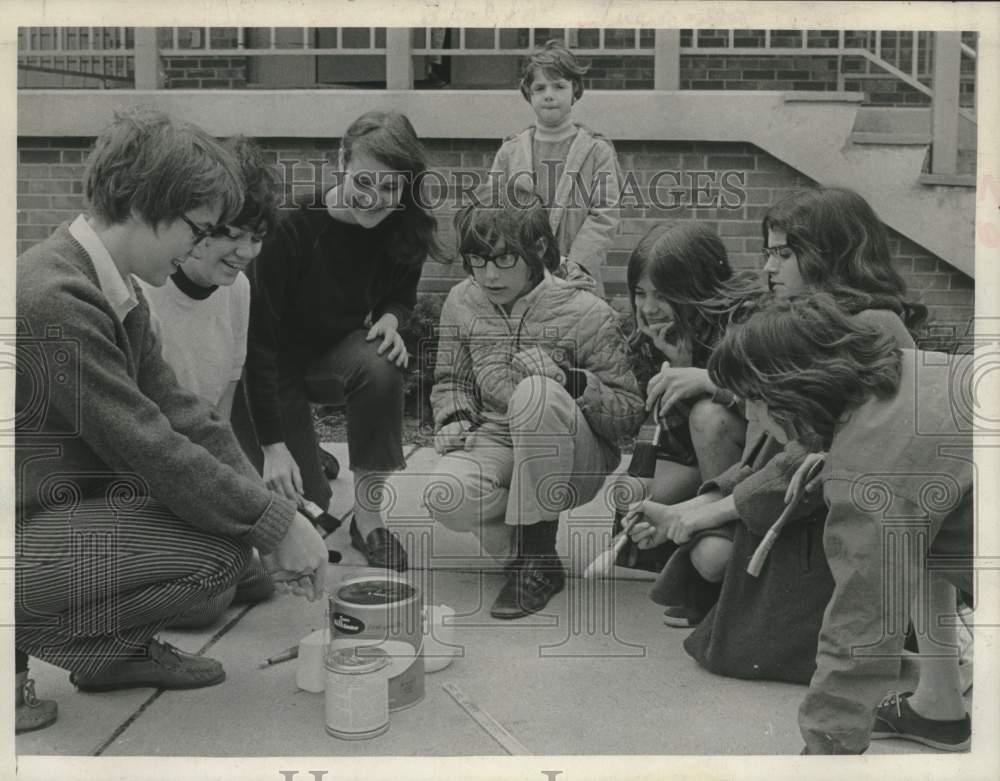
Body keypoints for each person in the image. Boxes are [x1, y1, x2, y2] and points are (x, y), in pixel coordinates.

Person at [15, 110, 327, 724]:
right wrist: (268, 524)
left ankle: (109, 656)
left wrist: (273, 514)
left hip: (51, 512)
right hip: (20, 530)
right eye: (200, 227)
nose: (199, 245)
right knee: (218, 553)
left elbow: (183, 412)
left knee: (227, 548)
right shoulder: (53, 295)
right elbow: (145, 443)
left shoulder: (107, 281)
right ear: (144, 205)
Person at [707, 292, 972, 754]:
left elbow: (862, 625)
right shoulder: (904, 369)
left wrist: (828, 745)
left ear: (791, 391)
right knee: (921, 534)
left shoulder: (870, 473)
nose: (748, 413)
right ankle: (938, 708)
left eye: (753, 399)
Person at [423, 188, 645, 619]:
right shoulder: (462, 301)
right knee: (443, 494)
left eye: (504, 258)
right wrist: (453, 416)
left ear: (538, 248)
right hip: (496, 438)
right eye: (477, 260)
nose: (489, 275)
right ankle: (529, 561)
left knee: (536, 392)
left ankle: (538, 551)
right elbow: (451, 379)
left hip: (574, 459)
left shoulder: (586, 310)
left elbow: (628, 414)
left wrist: (571, 382)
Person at [237, 110, 444, 572]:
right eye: (364, 182)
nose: (375, 198)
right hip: (271, 365)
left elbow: (401, 291)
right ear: (341, 162)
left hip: (333, 354)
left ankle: (369, 520)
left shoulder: (405, 223)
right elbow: (258, 347)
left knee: (380, 365)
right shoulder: (292, 228)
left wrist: (392, 318)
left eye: (391, 188)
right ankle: (307, 455)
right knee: (309, 511)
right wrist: (273, 446)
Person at [138, 136, 282, 628]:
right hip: (143, 474)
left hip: (193, 464)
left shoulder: (237, 288)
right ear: (196, 225)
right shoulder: (143, 294)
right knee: (208, 601)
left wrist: (258, 508)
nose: (246, 252)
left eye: (257, 237)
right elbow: (143, 440)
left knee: (260, 578)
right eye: (232, 234)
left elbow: (217, 416)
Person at [609, 222, 760, 588]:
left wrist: (708, 379)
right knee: (634, 497)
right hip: (695, 456)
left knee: (708, 416)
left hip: (748, 458)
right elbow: (662, 437)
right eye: (640, 293)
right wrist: (676, 366)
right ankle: (691, 556)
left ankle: (723, 549)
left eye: (662, 295)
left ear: (695, 286)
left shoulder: (744, 323)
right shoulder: (649, 332)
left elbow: (769, 410)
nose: (648, 307)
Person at [490, 39, 621, 297]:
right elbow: (491, 210)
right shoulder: (510, 151)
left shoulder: (596, 151)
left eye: (559, 86)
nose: (549, 94)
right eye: (540, 88)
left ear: (575, 91)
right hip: (521, 273)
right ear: (529, 94)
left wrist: (574, 264)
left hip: (575, 275)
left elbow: (605, 214)